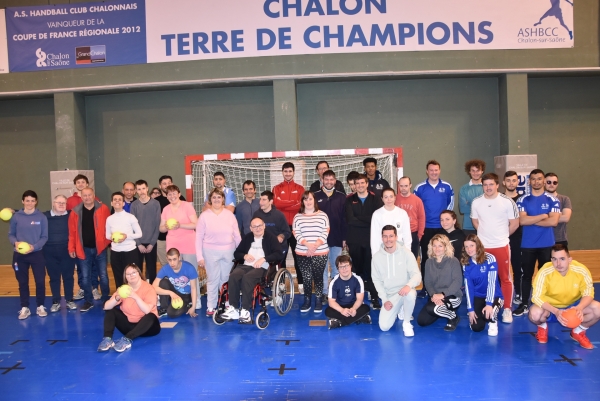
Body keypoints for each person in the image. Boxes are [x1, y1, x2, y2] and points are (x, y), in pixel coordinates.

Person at [529, 244, 600, 349]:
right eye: (554, 259)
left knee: (597, 309)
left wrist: (579, 307)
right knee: (535, 314)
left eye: (562, 259)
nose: (558, 264)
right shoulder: (545, 271)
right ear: (551, 260)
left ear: (570, 259)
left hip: (574, 307)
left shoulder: (580, 270)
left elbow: (588, 293)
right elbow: (536, 297)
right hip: (550, 309)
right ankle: (542, 327)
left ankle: (578, 331)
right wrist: (556, 311)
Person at [471, 173, 519, 324]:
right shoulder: (476, 202)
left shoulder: (507, 202)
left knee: (505, 278)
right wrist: (485, 238)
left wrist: (501, 236)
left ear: (497, 185)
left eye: (491, 184)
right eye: (485, 185)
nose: (488, 187)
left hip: (501, 246)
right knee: (484, 277)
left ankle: (507, 309)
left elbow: (515, 223)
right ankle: (487, 305)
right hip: (483, 248)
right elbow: (475, 222)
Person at [514, 169, 560, 317]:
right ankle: (524, 303)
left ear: (543, 181)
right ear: (529, 181)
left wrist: (532, 220)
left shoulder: (552, 200)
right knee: (526, 276)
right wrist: (542, 216)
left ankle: (545, 303)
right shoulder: (523, 200)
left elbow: (553, 221)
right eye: (533, 179)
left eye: (539, 179)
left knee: (545, 275)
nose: (536, 182)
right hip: (528, 244)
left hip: (546, 244)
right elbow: (522, 220)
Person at [221, 217, 283, 323]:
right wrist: (244, 255)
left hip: (262, 267)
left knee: (247, 278)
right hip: (246, 265)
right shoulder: (247, 238)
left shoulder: (271, 238)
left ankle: (245, 310)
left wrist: (264, 259)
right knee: (234, 276)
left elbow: (278, 254)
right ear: (251, 228)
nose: (257, 228)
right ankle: (233, 308)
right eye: (254, 226)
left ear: (264, 226)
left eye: (259, 226)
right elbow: (237, 253)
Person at [196, 188, 242, 317]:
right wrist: (199, 256)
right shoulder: (204, 216)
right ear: (210, 200)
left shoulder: (230, 215)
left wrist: (241, 253)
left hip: (229, 251)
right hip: (210, 252)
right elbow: (198, 237)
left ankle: (226, 303)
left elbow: (237, 236)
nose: (216, 199)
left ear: (223, 200)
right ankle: (211, 306)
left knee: (226, 278)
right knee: (212, 279)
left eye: (219, 197)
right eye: (214, 197)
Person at [414, 160, 454, 298]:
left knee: (445, 257)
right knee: (426, 258)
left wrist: (446, 223)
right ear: (427, 171)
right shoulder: (419, 188)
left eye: (436, 170)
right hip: (426, 228)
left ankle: (446, 287)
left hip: (442, 229)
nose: (434, 172)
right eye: (431, 170)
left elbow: (450, 205)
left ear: (439, 170)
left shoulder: (447, 187)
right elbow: (417, 208)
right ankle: (426, 287)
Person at [98, 264, 161, 353]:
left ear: (139, 273)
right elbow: (106, 307)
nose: (131, 275)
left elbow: (147, 310)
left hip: (148, 328)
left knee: (151, 315)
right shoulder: (124, 289)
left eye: (134, 273)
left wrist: (135, 297)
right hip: (129, 326)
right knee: (111, 310)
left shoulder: (149, 289)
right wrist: (116, 298)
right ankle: (107, 339)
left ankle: (127, 340)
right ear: (125, 277)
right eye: (128, 274)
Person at [372, 225, 421, 336]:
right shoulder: (376, 258)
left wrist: (408, 285)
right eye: (385, 236)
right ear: (382, 238)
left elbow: (417, 275)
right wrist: (384, 300)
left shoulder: (407, 253)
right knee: (384, 327)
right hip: (390, 296)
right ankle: (399, 308)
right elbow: (376, 281)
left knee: (410, 294)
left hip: (404, 291)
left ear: (396, 237)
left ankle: (407, 322)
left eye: (391, 236)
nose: (388, 239)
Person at [68, 187, 111, 313]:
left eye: (89, 195)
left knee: (103, 276)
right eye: (85, 195)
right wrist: (71, 247)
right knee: (85, 277)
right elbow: (72, 233)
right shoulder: (75, 212)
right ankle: (88, 301)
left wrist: (106, 242)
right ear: (81, 197)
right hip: (83, 249)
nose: (87, 197)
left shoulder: (103, 209)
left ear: (94, 195)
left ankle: (105, 299)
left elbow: (109, 227)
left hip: (100, 249)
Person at [345, 174, 384, 309]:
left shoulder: (376, 199)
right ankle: (358, 298)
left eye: (362, 183)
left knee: (372, 269)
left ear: (367, 184)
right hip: (354, 240)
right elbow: (350, 220)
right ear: (354, 186)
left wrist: (359, 218)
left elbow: (377, 218)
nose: (360, 185)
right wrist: (368, 219)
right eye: (357, 183)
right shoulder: (349, 200)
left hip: (371, 240)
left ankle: (374, 296)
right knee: (357, 270)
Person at [9, 190, 48, 319]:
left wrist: (34, 247)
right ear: (23, 201)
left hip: (37, 254)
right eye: (27, 200)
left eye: (32, 200)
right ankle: (25, 307)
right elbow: (11, 234)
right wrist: (15, 243)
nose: (30, 203)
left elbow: (44, 237)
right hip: (19, 256)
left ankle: (40, 306)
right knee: (22, 282)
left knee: (40, 281)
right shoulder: (16, 217)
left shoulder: (41, 217)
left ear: (36, 201)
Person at [159, 184, 199, 308]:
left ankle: (196, 300)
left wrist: (179, 225)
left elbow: (195, 224)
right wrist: (165, 227)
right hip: (172, 242)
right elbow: (161, 229)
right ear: (166, 196)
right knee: (174, 271)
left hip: (188, 242)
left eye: (174, 193)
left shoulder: (187, 206)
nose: (172, 196)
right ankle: (178, 298)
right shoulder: (166, 209)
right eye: (169, 194)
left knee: (191, 271)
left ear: (179, 193)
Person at [293, 191, 330, 313]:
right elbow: (296, 233)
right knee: (306, 277)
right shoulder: (297, 217)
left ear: (314, 200)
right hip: (302, 252)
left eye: (310, 199)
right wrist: (308, 245)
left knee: (318, 277)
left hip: (320, 252)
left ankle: (318, 300)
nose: (308, 202)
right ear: (302, 202)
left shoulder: (323, 215)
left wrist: (315, 246)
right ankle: (307, 300)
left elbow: (325, 231)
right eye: (305, 199)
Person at [417, 234, 463, 331]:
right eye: (434, 245)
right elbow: (428, 282)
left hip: (452, 296)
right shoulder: (429, 262)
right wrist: (434, 295)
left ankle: (453, 317)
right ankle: (441, 309)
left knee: (432, 309)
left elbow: (458, 281)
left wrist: (443, 294)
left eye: (440, 246)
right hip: (436, 297)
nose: (437, 249)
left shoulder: (453, 261)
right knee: (422, 321)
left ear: (446, 247)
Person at [65, 173, 100, 301]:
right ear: (75, 185)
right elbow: (68, 219)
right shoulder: (70, 200)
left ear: (87, 184)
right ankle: (82, 288)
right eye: (78, 182)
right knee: (81, 267)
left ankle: (94, 288)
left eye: (83, 182)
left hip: (94, 241)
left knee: (94, 266)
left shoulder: (95, 199)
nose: (80, 184)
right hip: (80, 241)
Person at [313, 170, 347, 302]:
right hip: (320, 239)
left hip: (337, 237)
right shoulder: (315, 196)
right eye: (326, 179)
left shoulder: (341, 196)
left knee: (336, 266)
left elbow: (345, 219)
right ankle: (323, 292)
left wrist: (344, 238)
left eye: (331, 179)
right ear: (322, 180)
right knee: (321, 267)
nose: (328, 182)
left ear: (335, 180)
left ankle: (334, 292)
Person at [462, 235, 504, 336]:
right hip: (478, 296)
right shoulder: (466, 263)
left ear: (478, 245)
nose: (469, 249)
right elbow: (469, 288)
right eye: (466, 247)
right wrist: (470, 309)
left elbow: (492, 282)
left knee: (488, 315)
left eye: (471, 245)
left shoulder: (489, 258)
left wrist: (489, 304)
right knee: (476, 328)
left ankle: (493, 321)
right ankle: (481, 313)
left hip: (494, 295)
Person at [273, 162, 305, 292]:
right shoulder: (276, 188)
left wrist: (285, 204)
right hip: (281, 228)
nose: (288, 173)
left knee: (299, 257)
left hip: (296, 228)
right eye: (285, 171)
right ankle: (281, 284)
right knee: (281, 257)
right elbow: (276, 204)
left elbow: (300, 206)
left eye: (290, 171)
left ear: (293, 172)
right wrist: (293, 202)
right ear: (282, 172)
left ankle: (301, 284)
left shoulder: (300, 188)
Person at [43, 195, 77, 313]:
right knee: (54, 278)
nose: (61, 205)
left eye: (64, 203)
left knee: (68, 277)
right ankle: (56, 301)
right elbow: (29, 214)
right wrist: (14, 211)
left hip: (67, 252)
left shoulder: (71, 215)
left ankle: (69, 300)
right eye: (59, 202)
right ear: (53, 203)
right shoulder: (45, 216)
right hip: (49, 252)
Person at [106, 192, 143, 288]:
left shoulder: (130, 217)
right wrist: (114, 238)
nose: (117, 201)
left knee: (132, 278)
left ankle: (134, 299)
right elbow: (107, 236)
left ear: (123, 203)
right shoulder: (109, 219)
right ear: (112, 203)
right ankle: (123, 299)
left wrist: (126, 236)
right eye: (115, 199)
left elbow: (139, 234)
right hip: (115, 252)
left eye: (120, 199)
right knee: (118, 277)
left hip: (130, 252)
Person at [325, 255, 372, 329]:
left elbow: (359, 299)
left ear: (351, 266)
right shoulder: (334, 282)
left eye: (346, 266)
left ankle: (339, 323)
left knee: (366, 308)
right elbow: (331, 302)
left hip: (354, 306)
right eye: (341, 267)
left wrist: (354, 309)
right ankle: (358, 319)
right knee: (328, 311)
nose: (344, 269)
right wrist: (342, 310)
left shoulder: (358, 279)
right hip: (340, 306)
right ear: (338, 269)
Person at [130, 179, 161, 283]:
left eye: (143, 188)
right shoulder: (134, 205)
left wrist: (152, 243)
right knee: (137, 269)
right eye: (139, 189)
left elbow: (157, 225)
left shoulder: (156, 204)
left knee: (152, 269)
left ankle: (152, 292)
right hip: (138, 243)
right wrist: (138, 244)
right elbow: (132, 227)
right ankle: (139, 290)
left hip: (151, 243)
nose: (142, 191)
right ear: (136, 191)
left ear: (147, 188)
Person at [153, 248, 198, 319]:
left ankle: (187, 305)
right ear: (166, 259)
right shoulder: (165, 268)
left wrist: (193, 307)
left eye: (174, 259)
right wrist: (170, 293)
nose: (172, 263)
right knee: (163, 282)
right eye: (169, 260)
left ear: (179, 258)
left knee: (172, 314)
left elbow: (194, 288)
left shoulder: (189, 268)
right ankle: (164, 308)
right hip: (174, 292)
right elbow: (154, 287)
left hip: (186, 295)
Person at [155, 175, 186, 267]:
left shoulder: (181, 199)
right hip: (162, 239)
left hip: (178, 238)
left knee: (180, 264)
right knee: (166, 266)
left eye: (169, 183)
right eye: (164, 184)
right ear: (160, 186)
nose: (167, 185)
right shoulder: (155, 201)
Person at [503, 171, 524, 307]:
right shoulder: (499, 199)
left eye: (514, 180)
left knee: (517, 267)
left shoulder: (522, 199)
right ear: (504, 182)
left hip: (517, 238)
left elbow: (521, 220)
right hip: (500, 239)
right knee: (501, 267)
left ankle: (518, 292)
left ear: (517, 182)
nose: (511, 183)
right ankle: (501, 293)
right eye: (508, 180)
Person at [370, 188, 412, 255]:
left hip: (400, 251)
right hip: (383, 251)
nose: (389, 199)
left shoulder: (402, 213)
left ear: (395, 197)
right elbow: (375, 238)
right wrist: (375, 255)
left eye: (391, 196)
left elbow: (407, 236)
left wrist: (407, 252)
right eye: (386, 197)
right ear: (382, 199)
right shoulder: (377, 214)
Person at [253, 190, 290, 263]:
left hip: (277, 248)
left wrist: (281, 236)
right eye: (260, 199)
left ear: (271, 201)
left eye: (264, 200)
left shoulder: (279, 215)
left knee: (278, 268)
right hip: (261, 248)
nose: (260, 202)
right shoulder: (256, 214)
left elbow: (287, 232)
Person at [395, 176, 425, 259]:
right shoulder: (394, 199)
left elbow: (421, 218)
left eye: (406, 186)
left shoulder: (417, 200)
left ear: (410, 185)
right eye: (401, 186)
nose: (403, 188)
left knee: (412, 259)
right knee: (399, 259)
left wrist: (419, 235)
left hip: (413, 233)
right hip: (398, 233)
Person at [544, 172, 572, 246]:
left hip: (560, 240)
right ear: (544, 183)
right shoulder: (539, 199)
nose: (552, 185)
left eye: (555, 182)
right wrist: (558, 215)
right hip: (542, 239)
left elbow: (566, 218)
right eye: (549, 182)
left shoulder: (565, 199)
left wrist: (544, 216)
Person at [458, 159, 485, 235]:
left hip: (485, 226)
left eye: (478, 170)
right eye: (473, 170)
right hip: (468, 227)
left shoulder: (487, 187)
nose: (475, 173)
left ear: (482, 171)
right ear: (469, 172)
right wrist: (481, 206)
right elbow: (463, 209)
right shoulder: (464, 189)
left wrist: (470, 203)